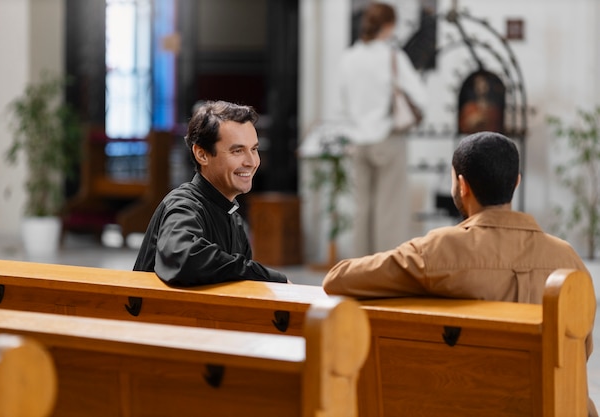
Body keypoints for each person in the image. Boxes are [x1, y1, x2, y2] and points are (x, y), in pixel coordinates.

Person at [323, 131, 597, 416]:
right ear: (516, 182)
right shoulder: (569, 260)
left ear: (462, 186)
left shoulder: (439, 250)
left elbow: (338, 279)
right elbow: (582, 350)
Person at [133, 100, 288, 286]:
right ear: (202, 154)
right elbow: (184, 258)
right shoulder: (183, 205)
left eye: (254, 149)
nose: (251, 161)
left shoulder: (235, 221)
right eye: (237, 151)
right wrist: (266, 275)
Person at [338, 2, 427, 257]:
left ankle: (360, 269)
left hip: (358, 141)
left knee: (361, 209)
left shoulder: (349, 58)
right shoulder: (392, 56)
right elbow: (420, 96)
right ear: (388, 26)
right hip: (388, 137)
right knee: (389, 209)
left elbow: (342, 104)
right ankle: (385, 270)